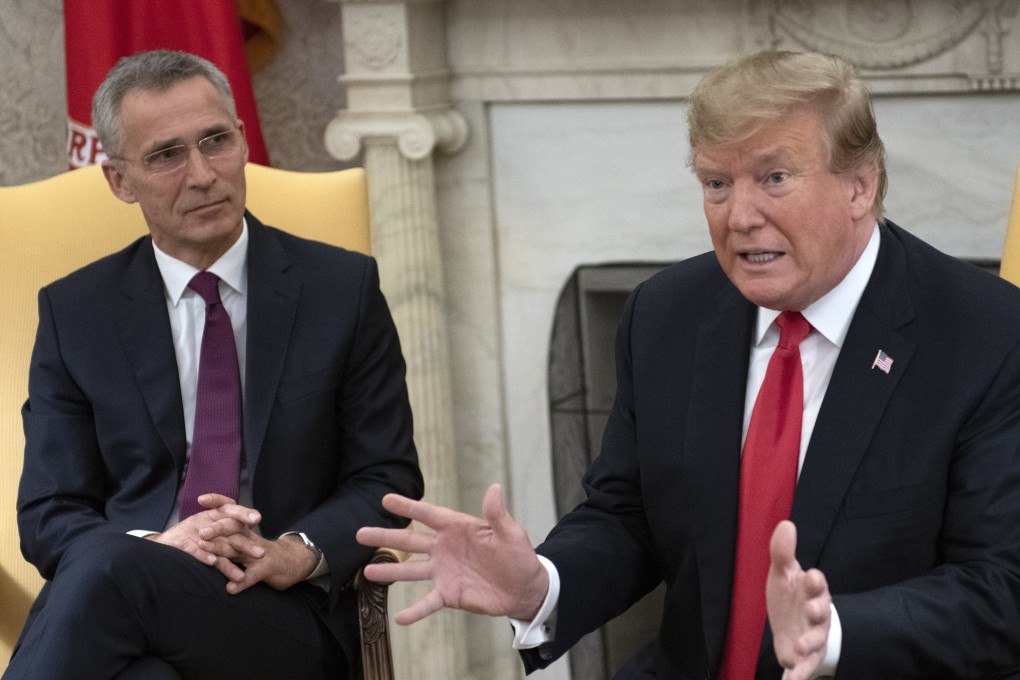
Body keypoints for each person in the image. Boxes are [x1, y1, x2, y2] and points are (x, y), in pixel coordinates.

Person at [356, 50, 1020, 679]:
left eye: (774, 178)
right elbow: (628, 515)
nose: (740, 217)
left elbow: (1002, 585)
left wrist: (837, 631)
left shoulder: (985, 334)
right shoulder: (667, 313)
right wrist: (543, 584)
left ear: (860, 185)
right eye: (717, 184)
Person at [6, 50, 423, 680]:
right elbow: (49, 512)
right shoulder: (77, 313)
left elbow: (386, 476)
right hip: (127, 605)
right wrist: (160, 547)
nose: (202, 175)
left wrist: (294, 551)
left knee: (103, 568)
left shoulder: (341, 289)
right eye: (166, 155)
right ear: (119, 180)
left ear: (243, 140)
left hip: (282, 614)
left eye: (215, 141)